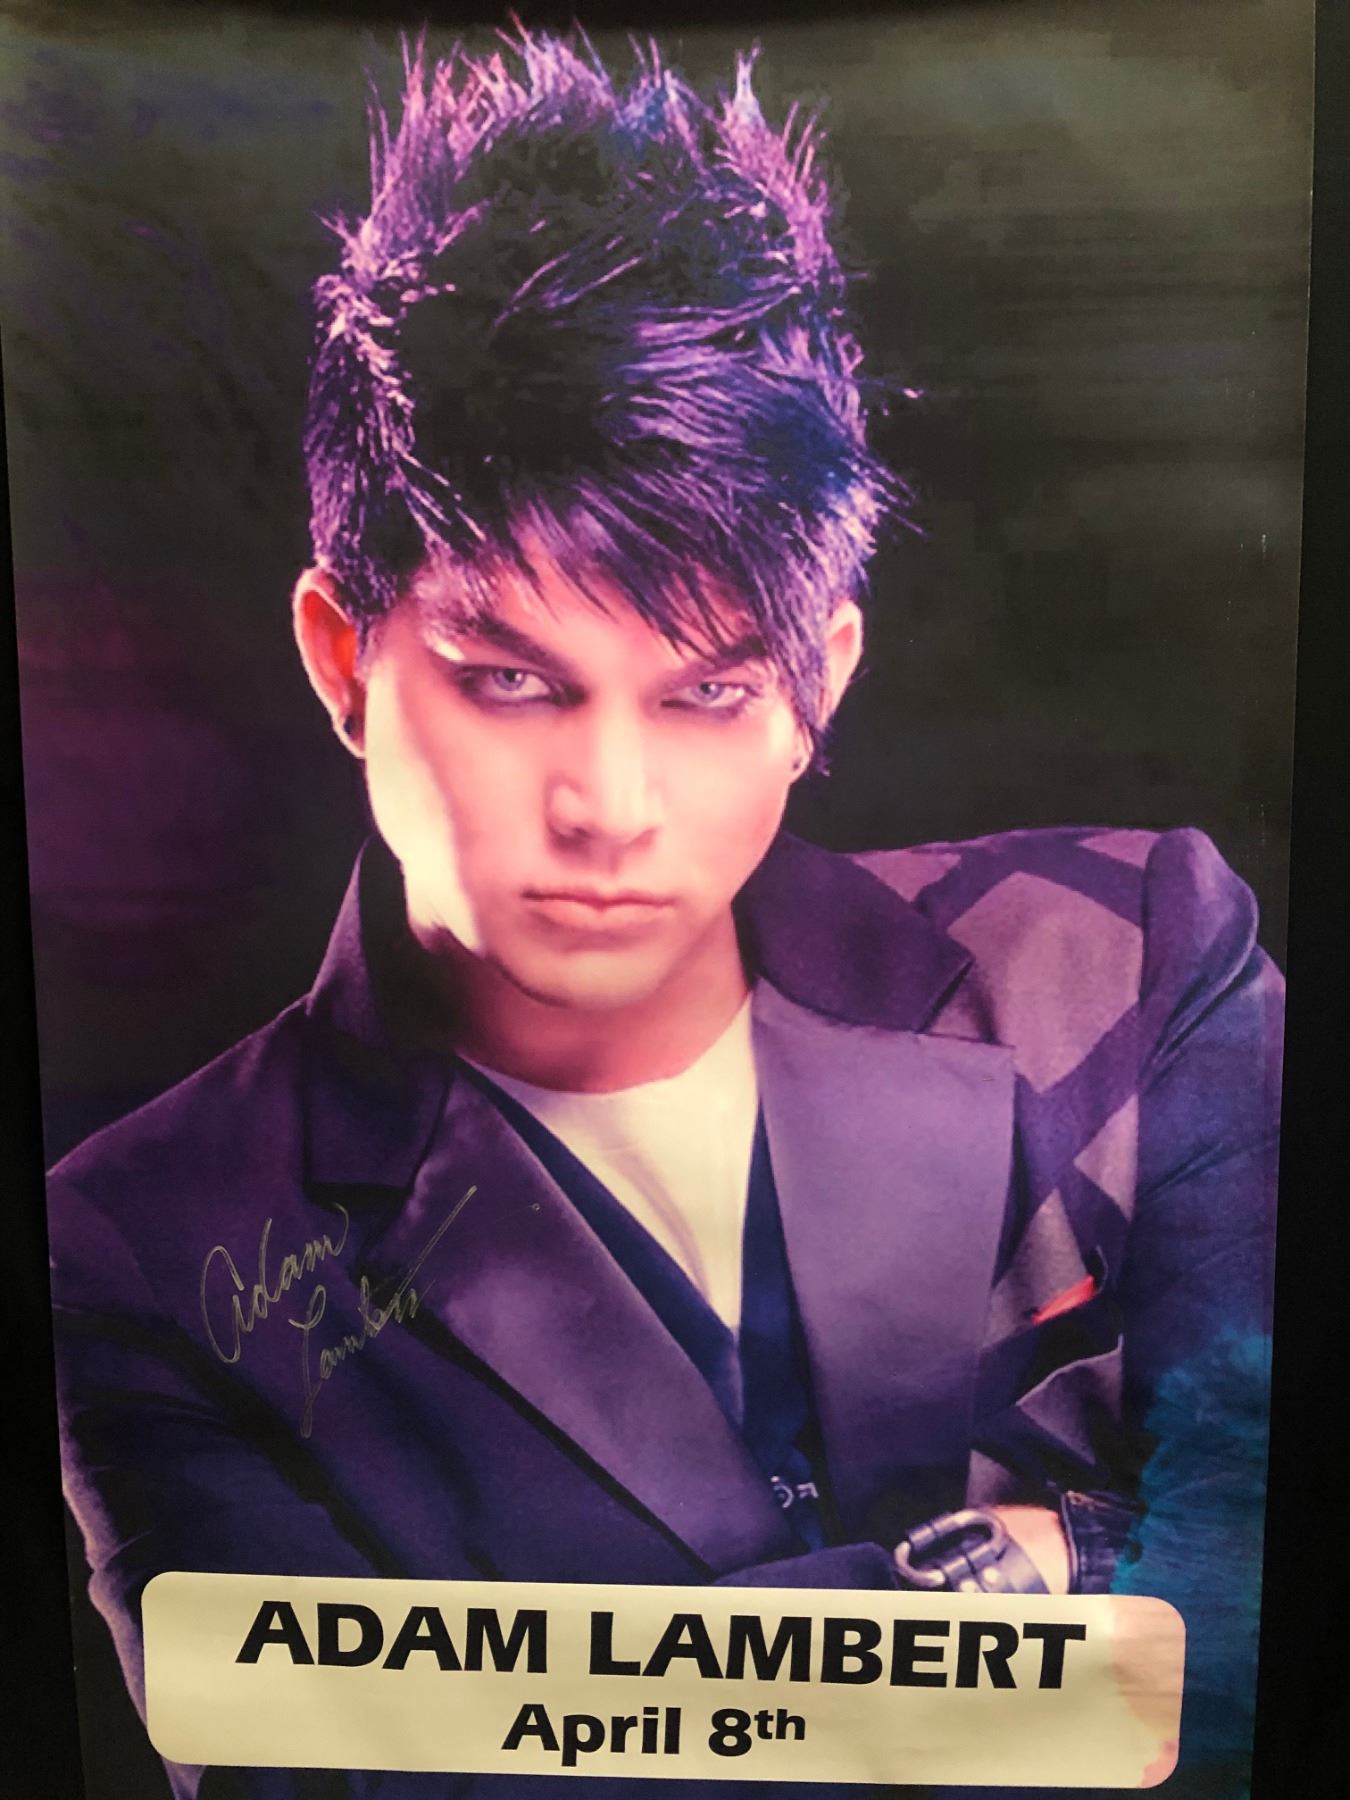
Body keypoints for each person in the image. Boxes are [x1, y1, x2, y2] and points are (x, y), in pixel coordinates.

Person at [47, 28, 1280, 1800]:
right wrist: (1069, 1565)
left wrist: (569, 1681)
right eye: (511, 679)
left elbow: (1273, 1627)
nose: (610, 807)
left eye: (706, 693)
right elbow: (329, 1779)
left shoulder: (1129, 960)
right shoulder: (143, 1243)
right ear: (342, 657)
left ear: (815, 683)